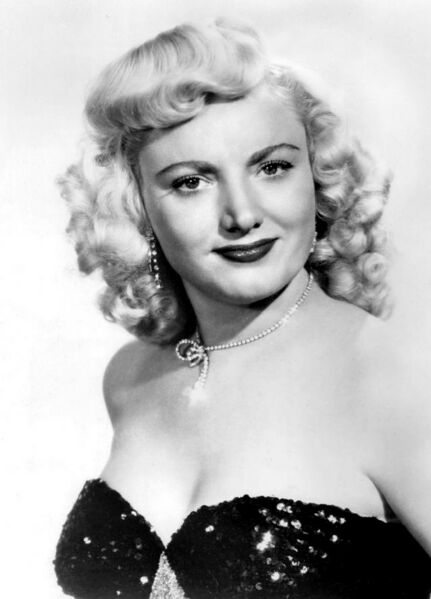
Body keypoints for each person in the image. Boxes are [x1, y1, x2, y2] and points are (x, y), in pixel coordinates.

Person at [54, 18, 431, 599]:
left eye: (272, 167)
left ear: (317, 177)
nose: (242, 214)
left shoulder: (391, 376)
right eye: (191, 182)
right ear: (137, 206)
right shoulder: (131, 379)